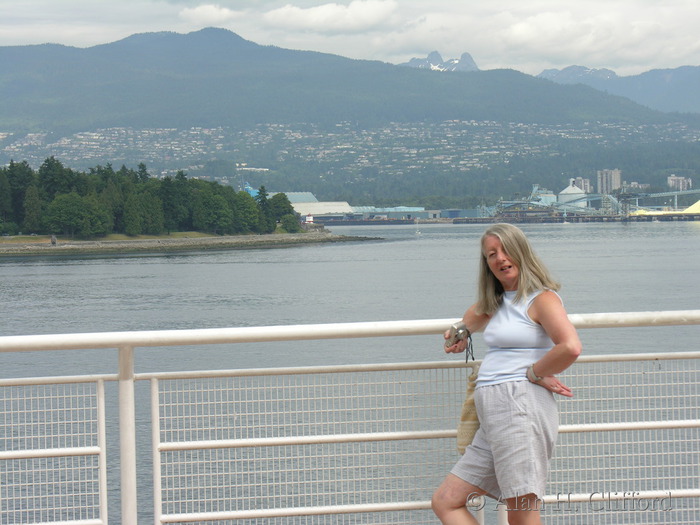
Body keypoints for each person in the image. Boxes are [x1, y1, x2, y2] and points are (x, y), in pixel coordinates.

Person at [432, 223, 582, 525]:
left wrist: (536, 372)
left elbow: (570, 347)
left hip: (520, 407)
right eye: (491, 254)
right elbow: (467, 322)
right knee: (446, 501)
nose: (500, 259)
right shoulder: (497, 302)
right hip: (494, 414)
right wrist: (459, 333)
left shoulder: (541, 299)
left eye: (506, 250)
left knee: (521, 514)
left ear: (522, 253)